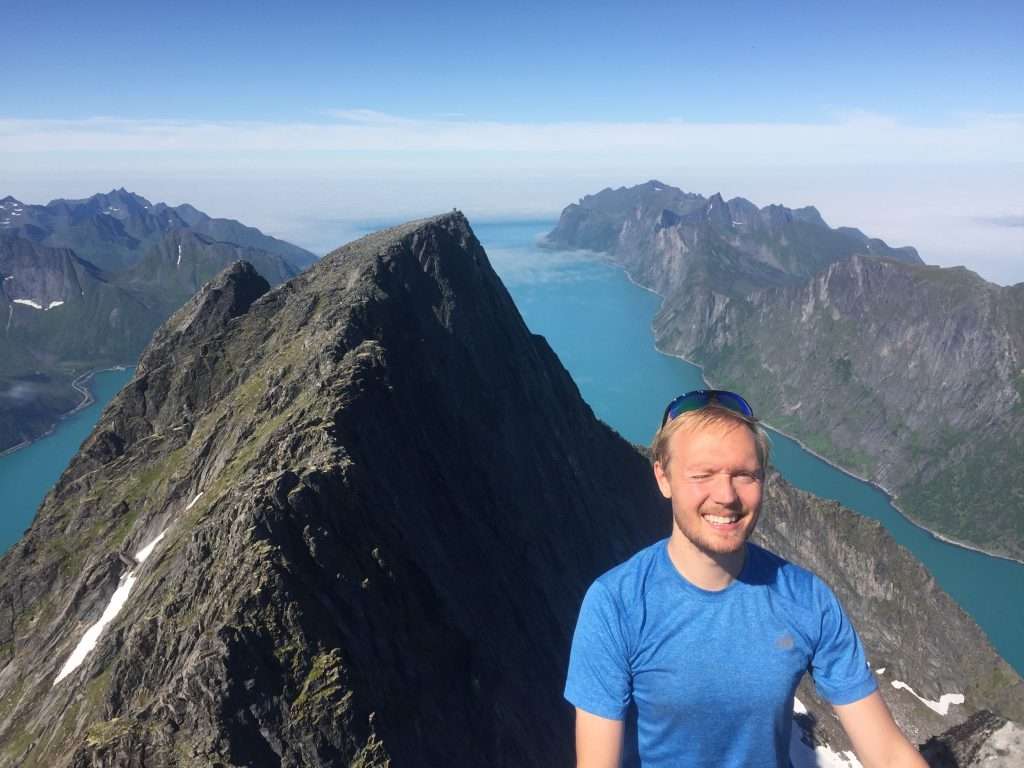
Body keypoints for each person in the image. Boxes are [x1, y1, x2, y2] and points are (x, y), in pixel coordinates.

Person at [564, 390, 927, 768]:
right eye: (702, 475)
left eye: (745, 475)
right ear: (663, 476)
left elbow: (886, 752)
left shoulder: (807, 601)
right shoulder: (616, 605)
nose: (726, 495)